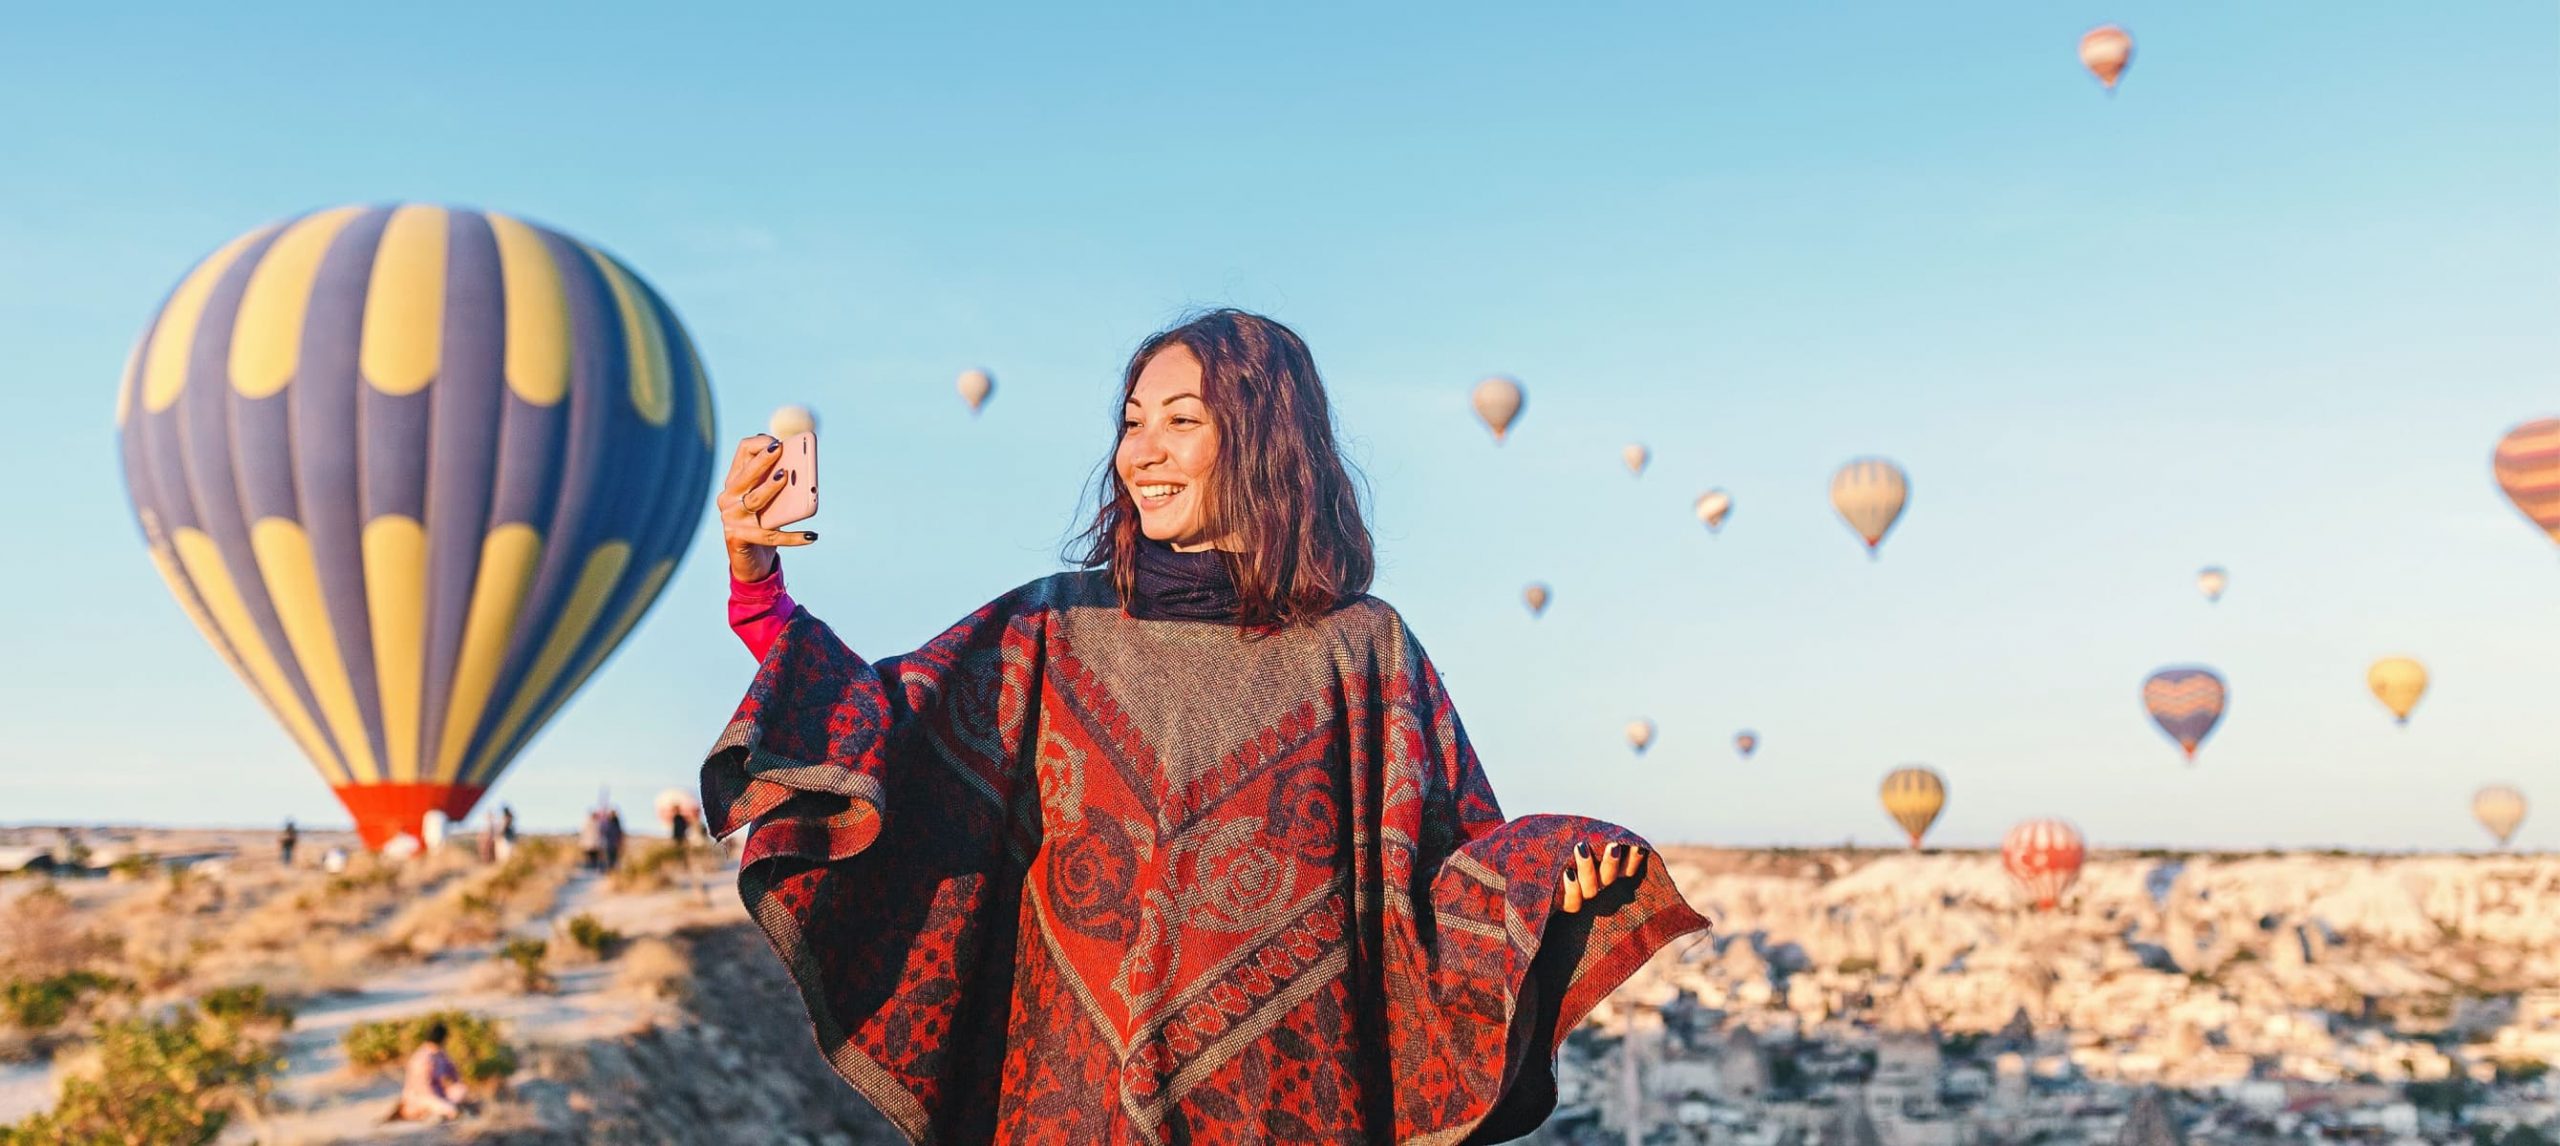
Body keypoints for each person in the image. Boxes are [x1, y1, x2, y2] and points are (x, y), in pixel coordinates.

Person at [704, 310, 1709, 1142]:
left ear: (1264, 439)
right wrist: (757, 583)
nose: (1141, 450)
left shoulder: (1363, 653)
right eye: (1131, 421)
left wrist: (1555, 865)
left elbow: (1443, 877)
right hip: (1067, 1104)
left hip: (1291, 1110)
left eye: (1179, 420)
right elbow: (885, 735)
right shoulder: (1052, 627)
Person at [394, 1021, 471, 1122]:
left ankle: (440, 1112)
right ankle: (434, 1114)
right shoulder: (422, 1058)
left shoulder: (440, 1055)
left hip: (438, 1094)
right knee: (448, 1109)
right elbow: (422, 1088)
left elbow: (454, 1075)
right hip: (420, 1098)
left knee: (460, 1090)